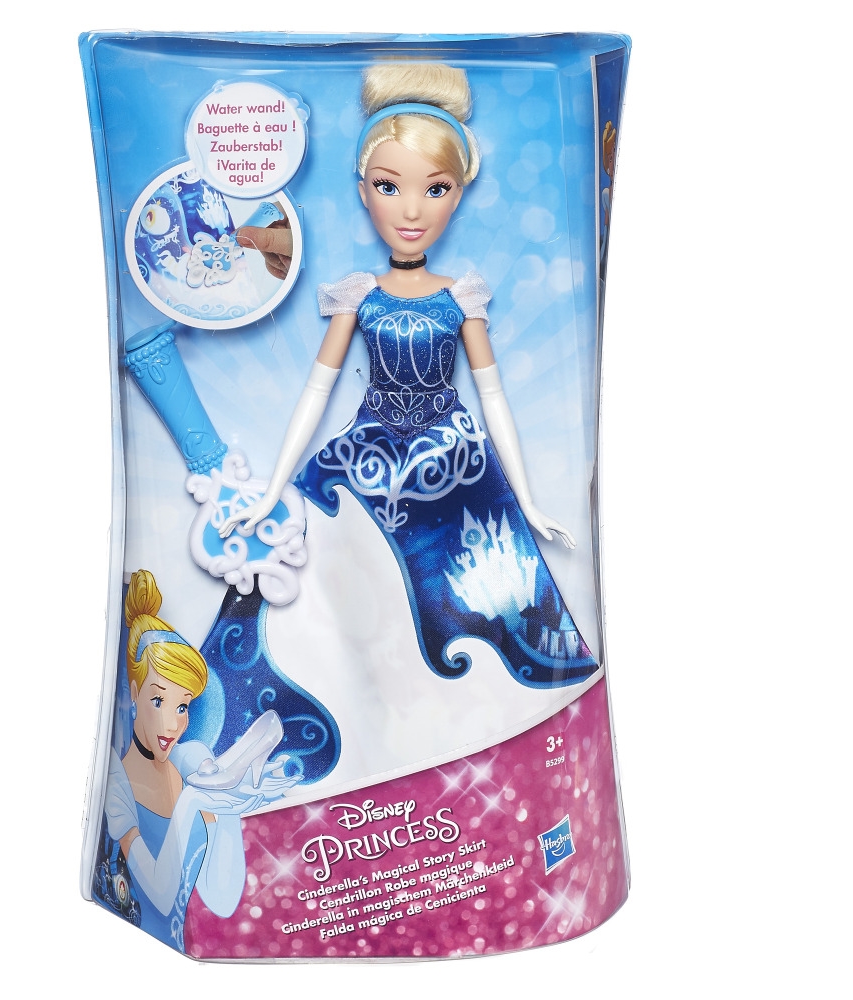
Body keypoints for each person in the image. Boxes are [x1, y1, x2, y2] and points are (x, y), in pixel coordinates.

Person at [223, 63, 598, 692]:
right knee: (330, 570)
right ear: (363, 189)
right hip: (368, 449)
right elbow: (317, 390)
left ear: (458, 193)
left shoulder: (460, 296)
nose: (413, 209)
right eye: (389, 186)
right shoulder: (359, 293)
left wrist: (528, 502)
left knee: (486, 580)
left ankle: (467, 700)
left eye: (436, 187)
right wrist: (271, 490)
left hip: (452, 453)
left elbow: (493, 395)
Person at [103, 569, 281, 950]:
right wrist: (193, 803)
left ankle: (241, 767)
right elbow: (160, 895)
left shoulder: (188, 761)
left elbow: (222, 898)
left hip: (194, 956)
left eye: (182, 706)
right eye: (158, 700)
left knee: (204, 765)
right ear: (133, 693)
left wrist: (230, 810)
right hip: (130, 948)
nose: (173, 723)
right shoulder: (118, 786)